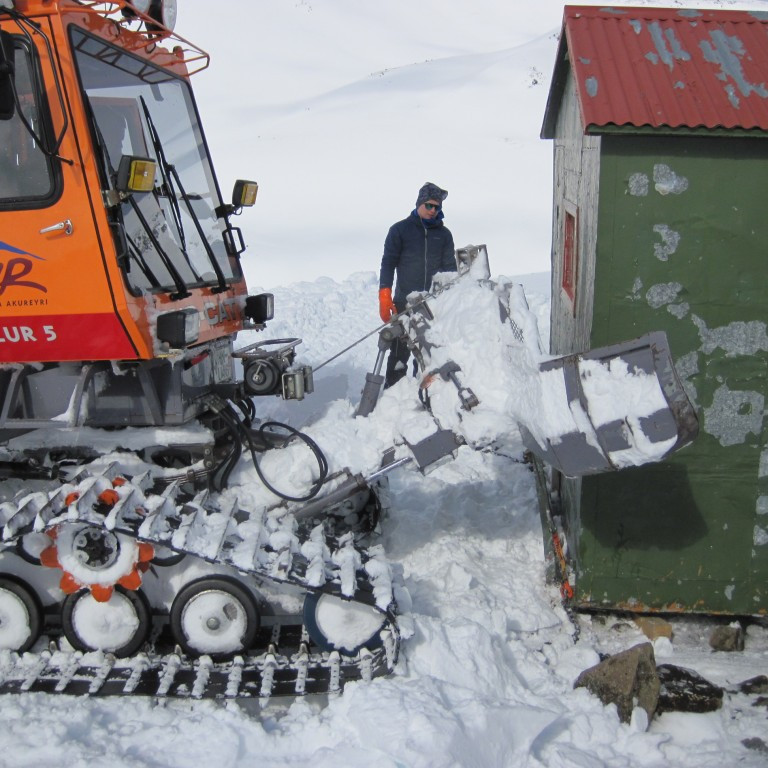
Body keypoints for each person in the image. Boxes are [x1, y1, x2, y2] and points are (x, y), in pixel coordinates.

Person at [378, 182, 456, 387]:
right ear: (419, 203)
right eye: (429, 205)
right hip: (405, 303)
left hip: (434, 306)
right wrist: (384, 295)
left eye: (437, 207)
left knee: (429, 355)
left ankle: (426, 395)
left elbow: (450, 271)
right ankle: (393, 395)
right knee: (399, 353)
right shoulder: (400, 230)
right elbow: (388, 263)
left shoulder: (444, 235)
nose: (433, 210)